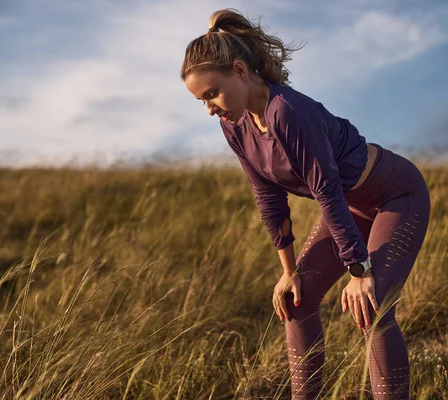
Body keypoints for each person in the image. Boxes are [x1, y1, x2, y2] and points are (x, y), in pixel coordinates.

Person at [181, 8, 430, 400]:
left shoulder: (288, 111)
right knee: (296, 301)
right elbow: (268, 197)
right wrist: (287, 272)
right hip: (351, 208)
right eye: (201, 100)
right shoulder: (235, 125)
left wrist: (359, 270)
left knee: (373, 305)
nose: (209, 107)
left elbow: (326, 190)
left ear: (241, 71)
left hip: (395, 196)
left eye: (212, 93)